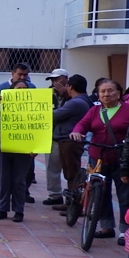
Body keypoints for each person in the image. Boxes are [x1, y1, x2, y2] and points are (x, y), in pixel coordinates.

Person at [69, 79, 129, 241]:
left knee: (126, 194)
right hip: (97, 157)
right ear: (98, 94)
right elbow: (82, 124)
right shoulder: (94, 110)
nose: (106, 94)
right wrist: (77, 132)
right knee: (100, 193)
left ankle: (125, 230)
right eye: (103, 91)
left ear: (119, 93)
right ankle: (106, 227)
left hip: (122, 158)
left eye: (110, 91)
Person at [0, 81, 34, 222]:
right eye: (18, 88)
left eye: (24, 89)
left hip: (24, 149)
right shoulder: (2, 105)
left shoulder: (34, 107)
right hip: (3, 147)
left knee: (19, 181)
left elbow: (39, 129)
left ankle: (18, 211)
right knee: (4, 180)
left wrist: (36, 148)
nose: (21, 91)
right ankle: (2, 209)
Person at [52, 75, 94, 213]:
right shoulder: (83, 100)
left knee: (72, 173)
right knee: (70, 172)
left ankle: (75, 206)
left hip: (69, 141)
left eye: (67, 86)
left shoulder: (76, 102)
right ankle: (70, 202)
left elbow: (54, 115)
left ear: (70, 87)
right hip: (70, 140)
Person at [42, 69, 69, 207]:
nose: (55, 82)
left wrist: (65, 93)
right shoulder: (47, 94)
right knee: (51, 166)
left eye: (57, 79)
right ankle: (54, 194)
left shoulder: (72, 94)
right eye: (53, 80)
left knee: (70, 168)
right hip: (51, 135)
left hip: (67, 136)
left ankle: (71, 196)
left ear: (65, 79)